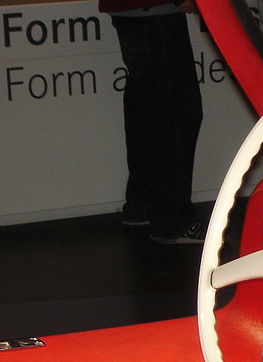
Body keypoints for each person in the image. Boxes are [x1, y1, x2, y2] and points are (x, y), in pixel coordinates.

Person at [100, 0, 205, 244]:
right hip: (156, 9)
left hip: (136, 10)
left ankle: (143, 204)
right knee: (177, 114)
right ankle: (172, 219)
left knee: (146, 109)